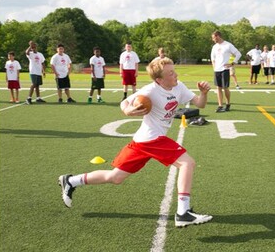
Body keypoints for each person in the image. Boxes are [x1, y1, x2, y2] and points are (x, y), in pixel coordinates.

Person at [58, 57, 213, 227]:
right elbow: (124, 102)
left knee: (115, 177)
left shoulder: (179, 86)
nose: (175, 75)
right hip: (152, 138)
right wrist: (128, 110)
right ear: (159, 80)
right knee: (187, 163)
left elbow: (200, 104)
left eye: (174, 71)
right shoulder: (150, 91)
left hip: (142, 141)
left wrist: (204, 93)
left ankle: (71, 181)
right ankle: (183, 213)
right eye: (170, 73)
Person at [210, 31, 241, 112]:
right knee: (218, 88)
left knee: (225, 88)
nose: (213, 39)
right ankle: (220, 106)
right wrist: (214, 67)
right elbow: (213, 58)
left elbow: (238, 54)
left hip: (225, 69)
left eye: (213, 38)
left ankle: (227, 104)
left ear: (218, 36)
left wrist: (232, 63)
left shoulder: (228, 45)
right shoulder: (214, 47)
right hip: (217, 70)